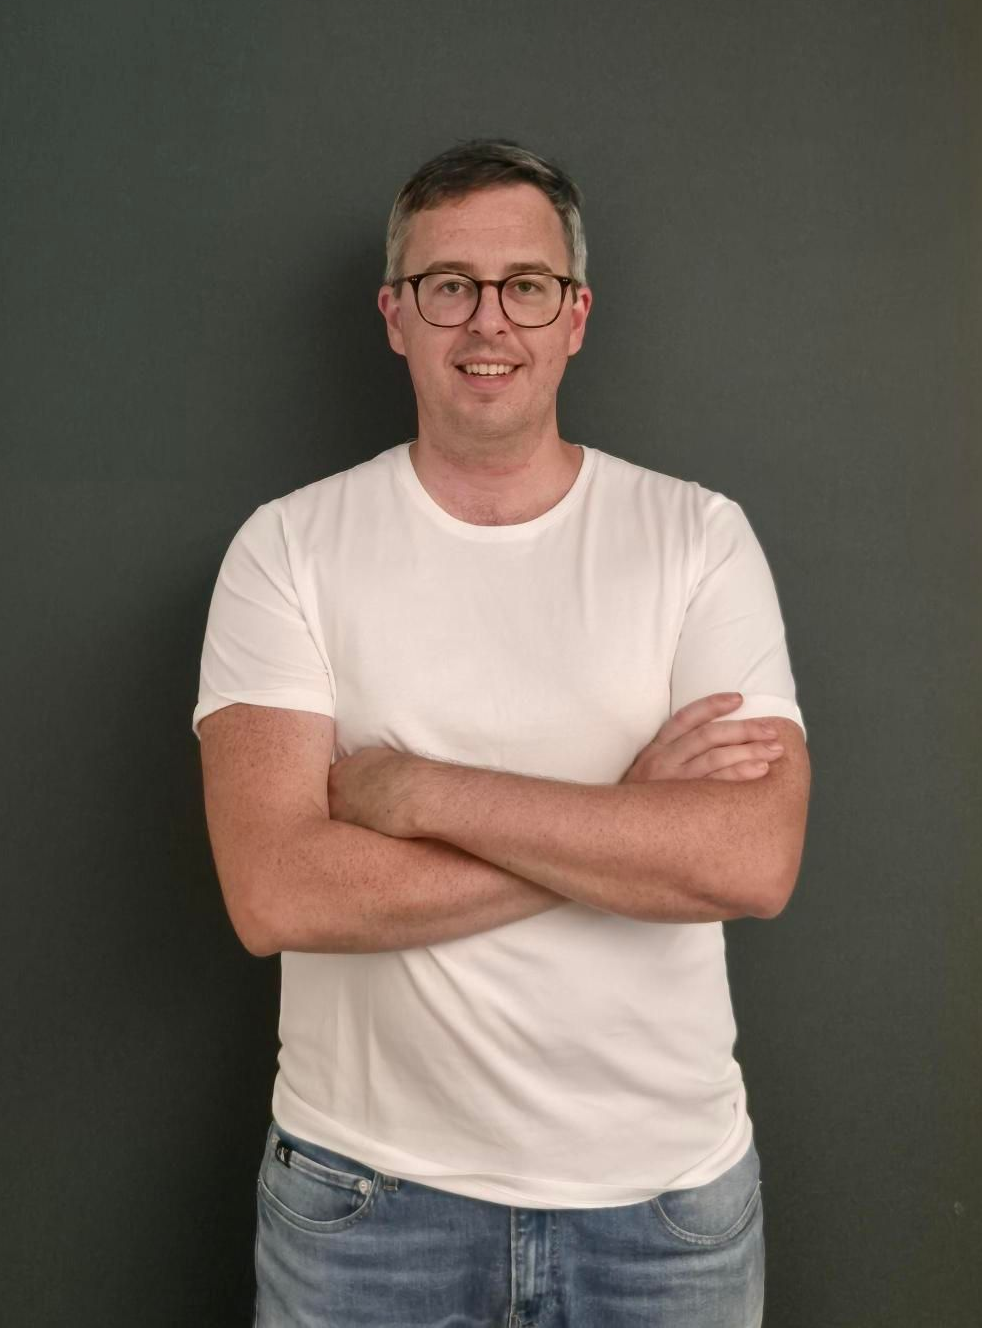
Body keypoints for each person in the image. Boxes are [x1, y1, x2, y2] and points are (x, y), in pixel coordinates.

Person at [192, 138, 810, 1327]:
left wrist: (417, 789)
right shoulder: (288, 548)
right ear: (395, 315)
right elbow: (275, 889)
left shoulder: (696, 537)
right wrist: (628, 815)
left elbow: (748, 861)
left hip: (664, 1207)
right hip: (365, 1202)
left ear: (574, 316)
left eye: (526, 285)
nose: (489, 321)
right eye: (448, 285)